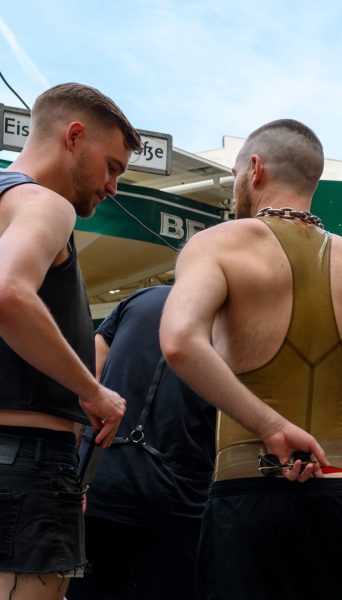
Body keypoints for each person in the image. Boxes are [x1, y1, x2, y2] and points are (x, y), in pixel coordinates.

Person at [159, 119, 342, 600]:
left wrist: (270, 426)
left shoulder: (220, 243)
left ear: (254, 169)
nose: (234, 189)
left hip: (250, 494)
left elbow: (180, 341)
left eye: (234, 176)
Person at [0, 83, 139, 599]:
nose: (114, 187)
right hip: (29, 465)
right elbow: (8, 292)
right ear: (74, 137)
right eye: (112, 167)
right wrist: (92, 391)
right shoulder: (43, 204)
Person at [66, 285, 216, 600]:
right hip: (176, 496)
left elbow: (87, 377)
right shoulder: (232, 320)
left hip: (99, 481)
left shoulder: (139, 298)